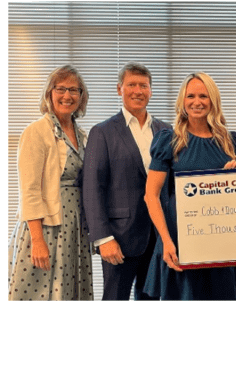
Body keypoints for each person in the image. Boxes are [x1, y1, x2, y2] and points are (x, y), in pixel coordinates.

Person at [143, 72, 236, 300]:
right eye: (190, 96)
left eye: (203, 96)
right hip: (179, 243)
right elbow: (151, 196)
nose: (196, 102)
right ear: (182, 100)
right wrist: (167, 242)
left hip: (220, 242)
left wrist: (235, 181)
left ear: (213, 101)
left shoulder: (231, 141)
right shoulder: (168, 141)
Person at [82, 62, 171, 300]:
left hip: (159, 237)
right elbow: (92, 189)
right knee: (114, 300)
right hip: (119, 238)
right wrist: (103, 238)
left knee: (152, 300)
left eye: (143, 85)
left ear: (151, 91)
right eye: (131, 85)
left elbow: (175, 183)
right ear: (119, 89)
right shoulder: (102, 132)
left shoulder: (167, 131)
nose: (138, 91)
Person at [8, 65, 93, 300]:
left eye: (74, 90)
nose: (67, 96)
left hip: (75, 226)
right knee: (42, 294)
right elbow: (30, 190)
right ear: (49, 93)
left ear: (81, 96)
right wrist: (37, 240)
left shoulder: (83, 135)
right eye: (61, 89)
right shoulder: (36, 132)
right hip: (45, 228)